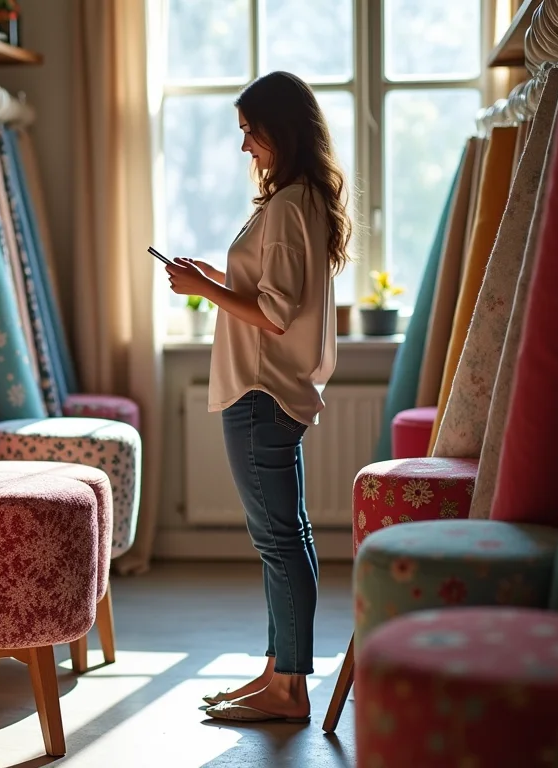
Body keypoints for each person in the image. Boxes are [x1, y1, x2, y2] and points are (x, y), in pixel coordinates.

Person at [165, 71, 351, 724]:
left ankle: (289, 689)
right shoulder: (302, 200)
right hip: (272, 391)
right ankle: (279, 672)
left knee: (279, 541)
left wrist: (200, 287)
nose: (246, 148)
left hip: (260, 390)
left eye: (251, 132)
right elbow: (276, 292)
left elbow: (273, 316)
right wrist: (216, 276)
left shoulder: (287, 206)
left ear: (282, 128)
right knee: (285, 537)